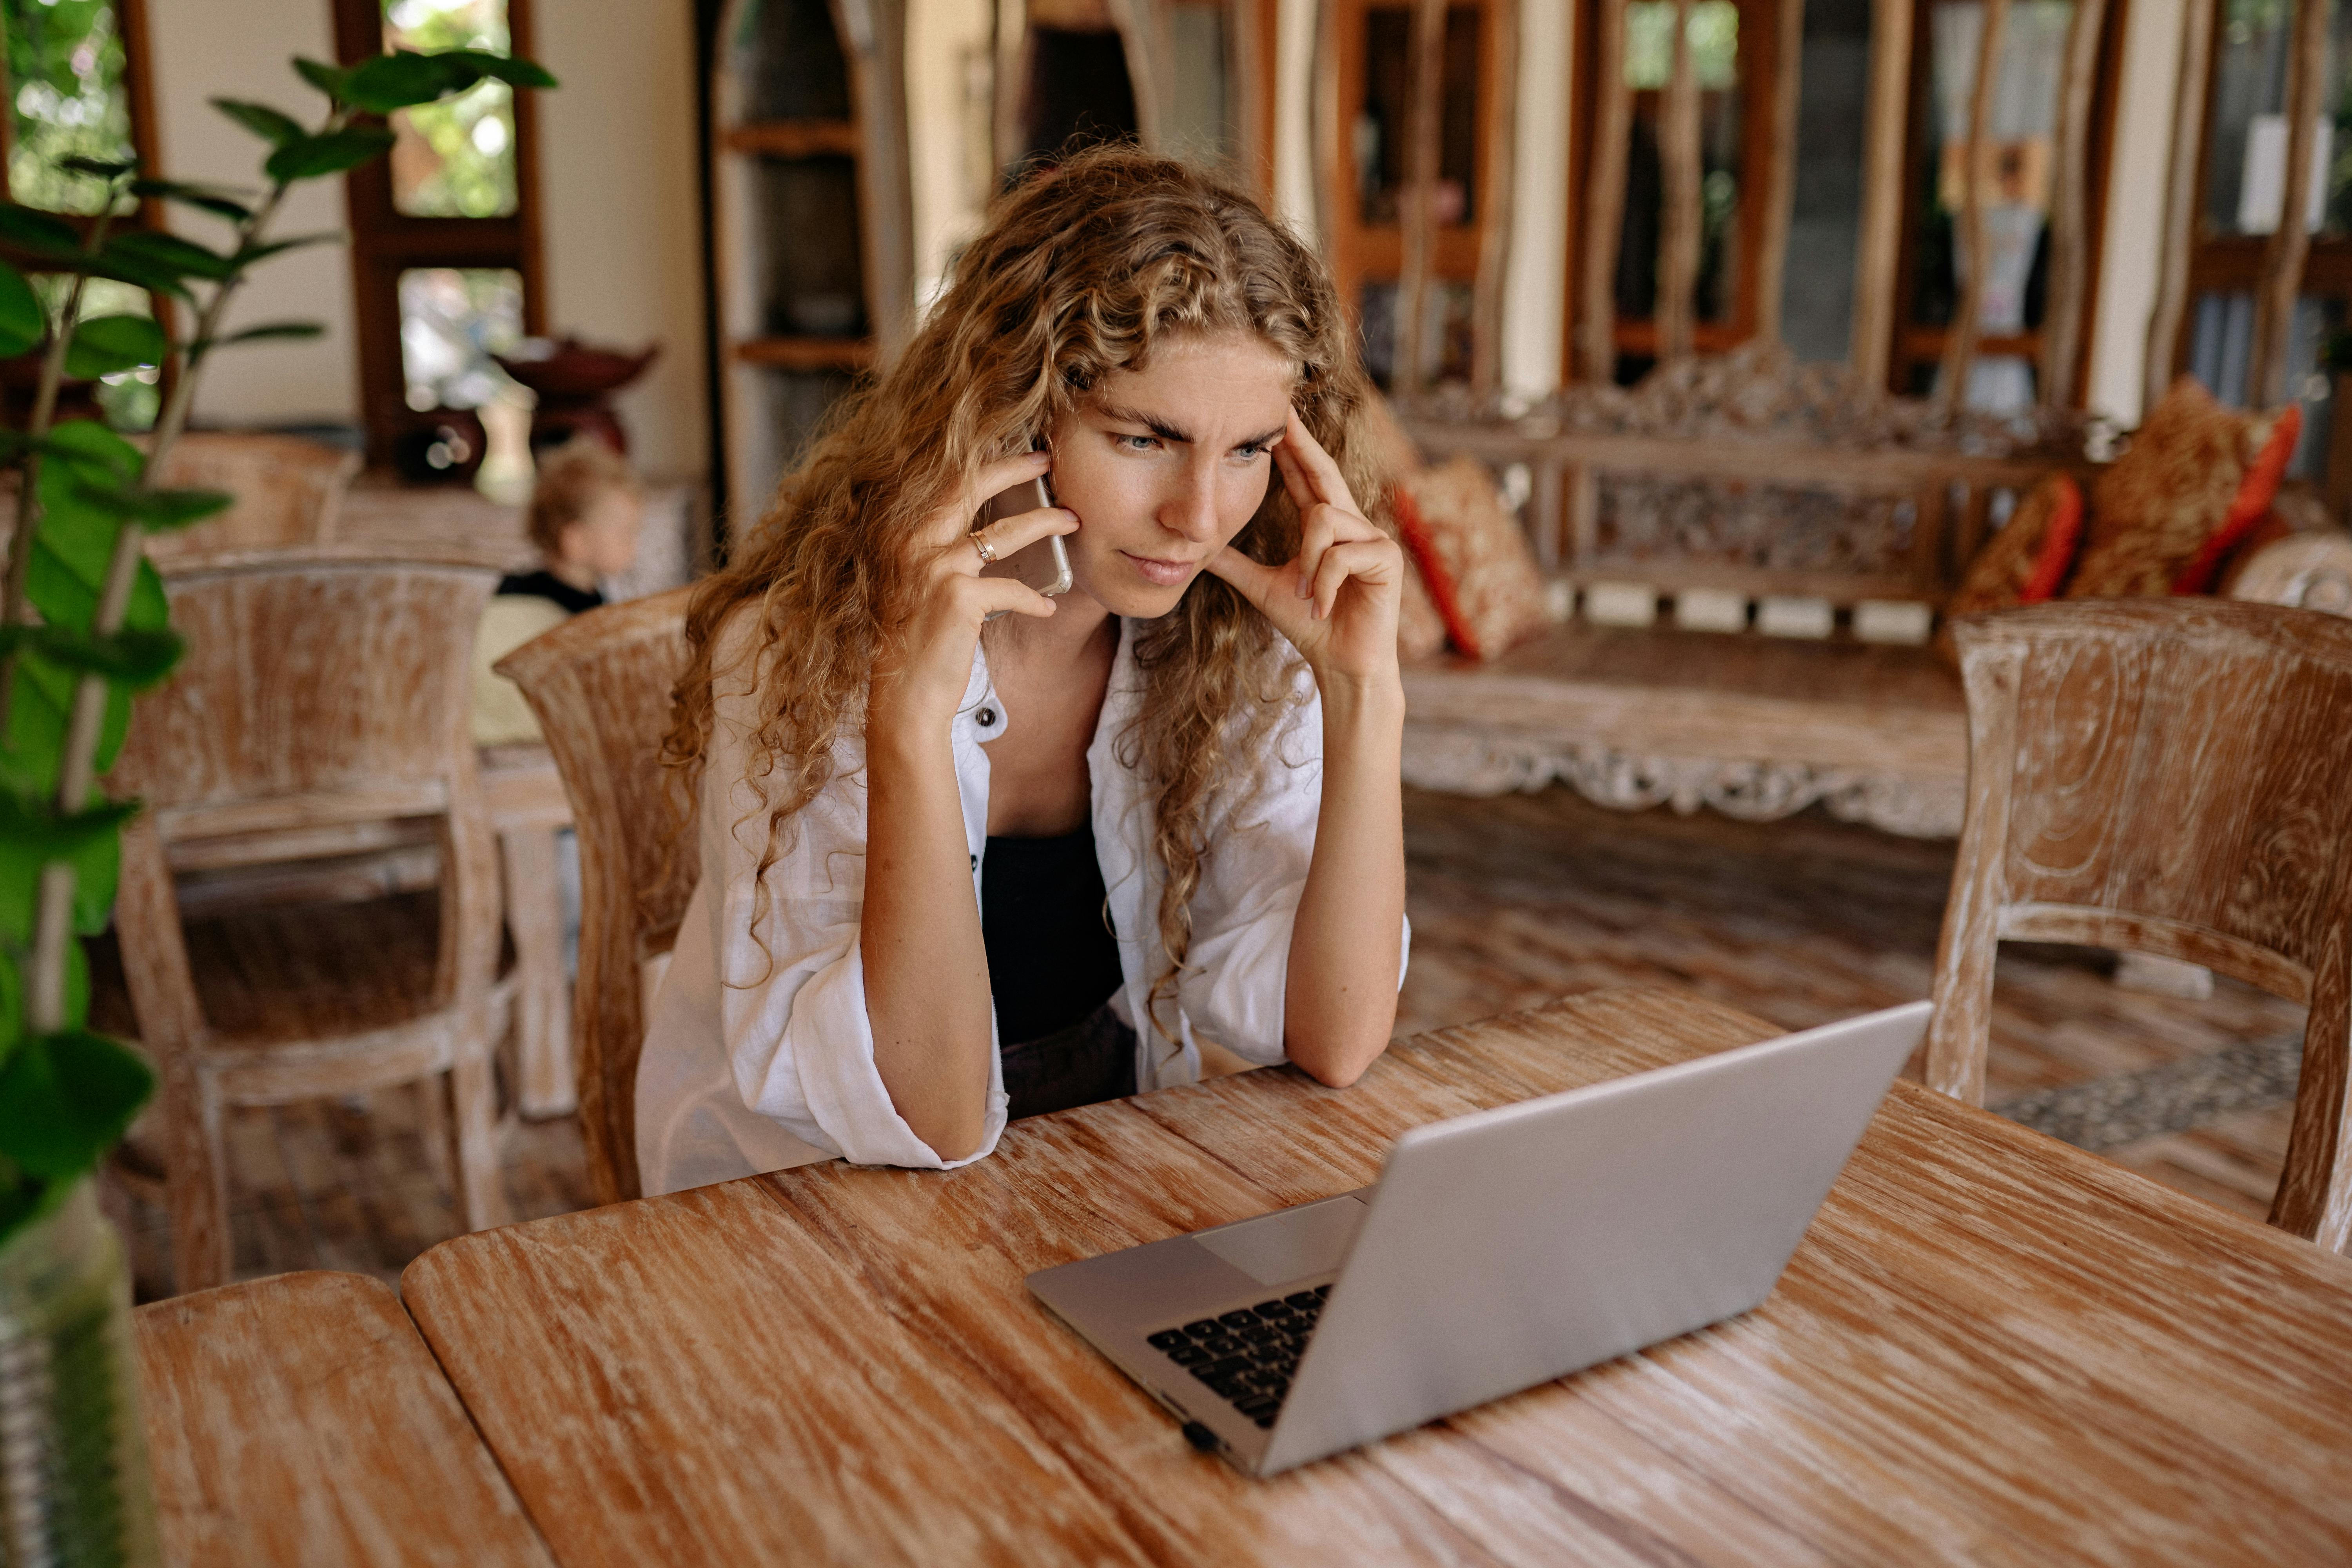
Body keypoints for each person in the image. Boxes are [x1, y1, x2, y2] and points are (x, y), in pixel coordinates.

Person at [636, 147, 1409, 1193]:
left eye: (1249, 450)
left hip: (1096, 1145)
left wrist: (1366, 696)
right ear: (1012, 405)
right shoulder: (801, 653)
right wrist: (910, 719)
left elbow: (1339, 1038)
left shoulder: (1228, 642)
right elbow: (935, 1118)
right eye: (1144, 438)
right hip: (812, 1190)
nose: (1199, 514)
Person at [470, 438, 646, 746]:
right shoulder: (572, 618)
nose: (634, 545)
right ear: (575, 542)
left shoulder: (510, 587)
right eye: (625, 533)